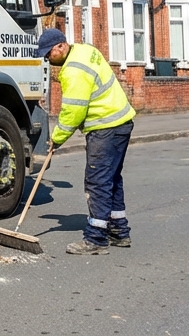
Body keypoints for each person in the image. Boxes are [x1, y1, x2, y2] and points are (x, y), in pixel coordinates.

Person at [35, 28, 136, 255]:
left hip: (105, 127)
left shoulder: (73, 71)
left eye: (48, 54)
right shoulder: (84, 50)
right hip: (121, 121)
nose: (47, 60)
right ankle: (119, 231)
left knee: (97, 182)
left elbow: (74, 112)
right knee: (111, 179)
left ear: (61, 46)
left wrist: (57, 138)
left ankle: (96, 239)